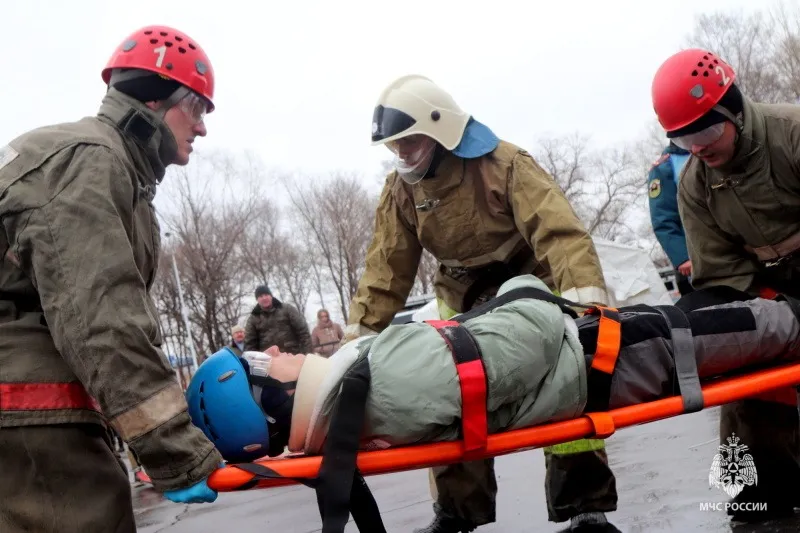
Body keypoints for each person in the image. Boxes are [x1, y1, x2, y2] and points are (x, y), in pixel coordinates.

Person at [188, 274, 800, 533]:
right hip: (620, 355)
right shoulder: (390, 379)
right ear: (276, 391)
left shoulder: (357, 412)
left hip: (599, 356)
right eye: (262, 362)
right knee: (780, 326)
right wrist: (518, 284)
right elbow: (533, 330)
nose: (280, 352)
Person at [342, 73, 619, 533]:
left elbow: (560, 233)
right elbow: (385, 272)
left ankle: (585, 508)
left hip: (531, 284)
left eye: (409, 143)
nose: (401, 155)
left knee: (570, 388)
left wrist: (585, 306)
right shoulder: (401, 192)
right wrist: (358, 342)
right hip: (461, 297)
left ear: (439, 130)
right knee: (450, 401)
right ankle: (456, 513)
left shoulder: (504, 164)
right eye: (395, 148)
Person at [0, 25, 223, 533]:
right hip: (27, 405)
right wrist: (173, 450)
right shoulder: (92, 160)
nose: (204, 128)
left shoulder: (109, 168)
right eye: (199, 110)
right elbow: (101, 318)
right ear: (157, 100)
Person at [651, 47, 800, 521]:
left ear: (733, 108)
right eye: (684, 137)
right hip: (767, 287)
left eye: (707, 130)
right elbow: (719, 272)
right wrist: (776, 313)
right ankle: (765, 487)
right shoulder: (693, 186)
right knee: (737, 341)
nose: (699, 146)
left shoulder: (790, 133)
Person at [647, 141, 693, 296]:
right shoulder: (665, 166)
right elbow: (662, 218)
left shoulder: (715, 149)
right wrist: (682, 257)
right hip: (694, 260)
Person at [244, 284, 313, 354]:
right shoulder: (253, 319)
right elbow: (250, 344)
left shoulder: (287, 309)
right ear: (257, 299)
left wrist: (308, 354)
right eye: (261, 296)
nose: (264, 298)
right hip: (270, 360)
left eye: (266, 295)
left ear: (271, 296)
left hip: (293, 355)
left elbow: (303, 332)